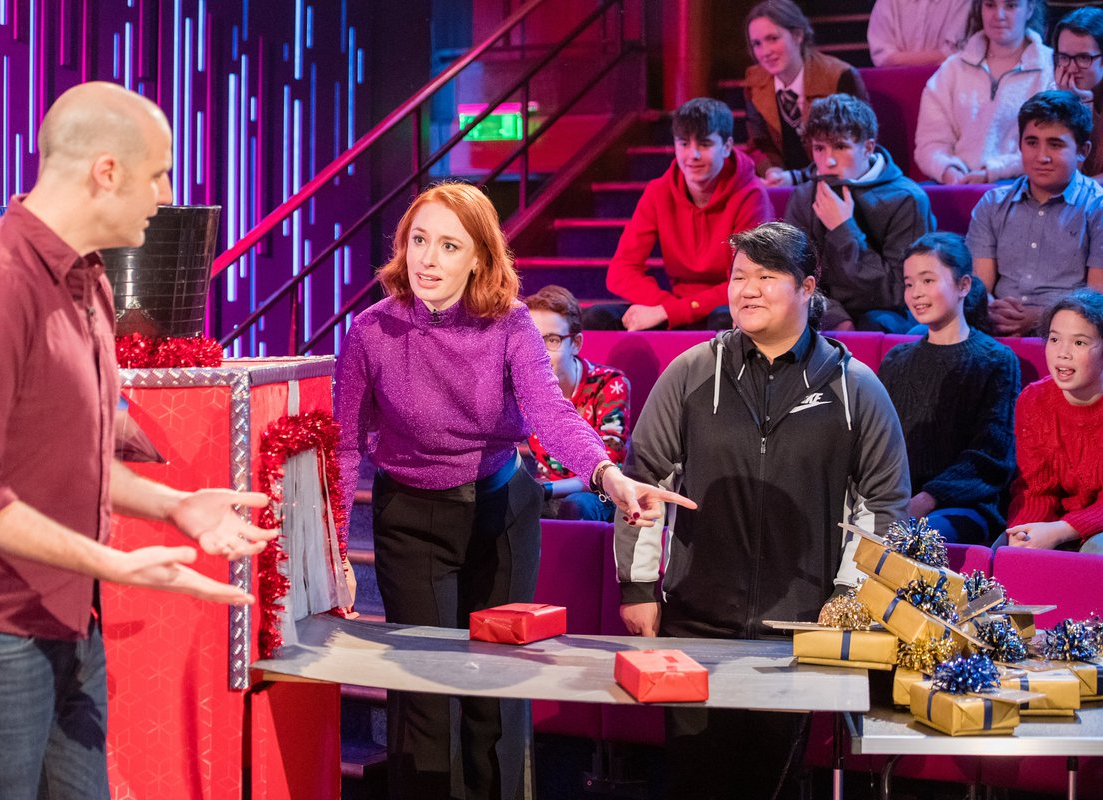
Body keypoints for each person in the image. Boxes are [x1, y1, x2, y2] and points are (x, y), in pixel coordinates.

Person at [0, 82, 278, 800]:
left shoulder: (91, 284)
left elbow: (75, 459)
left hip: (67, 616)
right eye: (158, 174)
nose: (166, 197)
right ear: (106, 171)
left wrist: (176, 507)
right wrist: (117, 564)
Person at [333, 182, 694, 800]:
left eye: (449, 246)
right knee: (425, 694)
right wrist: (337, 547)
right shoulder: (371, 331)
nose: (427, 259)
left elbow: (549, 411)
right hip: (412, 517)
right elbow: (343, 445)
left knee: (494, 689)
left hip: (501, 508)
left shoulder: (510, 322)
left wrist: (607, 475)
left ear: (479, 257)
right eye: (419, 240)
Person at [615, 221, 910, 799]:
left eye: (766, 276)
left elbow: (883, 505)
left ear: (807, 287)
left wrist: (847, 602)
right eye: (738, 276)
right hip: (695, 626)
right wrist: (638, 586)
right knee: (695, 783)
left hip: (800, 631)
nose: (746, 289)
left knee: (773, 785)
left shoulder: (856, 387)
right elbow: (643, 482)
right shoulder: (692, 372)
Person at [878, 233, 1020, 544]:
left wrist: (926, 499)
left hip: (965, 506)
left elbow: (991, 456)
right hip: (899, 500)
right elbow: (878, 441)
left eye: (928, 280)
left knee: (916, 538)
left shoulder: (996, 360)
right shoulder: (896, 359)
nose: (916, 293)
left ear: (963, 285)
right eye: (909, 284)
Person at [585, 97, 772, 331]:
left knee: (724, 319)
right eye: (684, 144)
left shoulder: (751, 195)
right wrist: (668, 308)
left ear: (726, 147)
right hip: (675, 304)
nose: (693, 155)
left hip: (726, 306)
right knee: (597, 317)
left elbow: (748, 280)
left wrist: (672, 312)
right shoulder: (658, 191)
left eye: (704, 144)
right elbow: (621, 271)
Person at [784, 93, 936, 332]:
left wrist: (844, 230)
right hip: (825, 312)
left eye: (840, 147)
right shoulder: (804, 197)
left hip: (885, 315)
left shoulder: (907, 199)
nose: (828, 161)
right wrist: (835, 317)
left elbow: (899, 290)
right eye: (819, 148)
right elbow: (794, 277)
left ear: (868, 148)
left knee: (875, 324)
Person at [969, 90, 1103, 336]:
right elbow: (980, 288)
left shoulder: (1098, 207)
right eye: (1032, 143)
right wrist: (991, 311)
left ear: (1082, 151)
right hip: (994, 326)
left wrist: (1038, 318)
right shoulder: (992, 204)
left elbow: (1097, 301)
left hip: (1072, 331)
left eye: (1055, 144)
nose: (1042, 157)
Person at [1000, 288, 1103, 553]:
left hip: (1090, 526)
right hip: (1059, 522)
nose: (1062, 353)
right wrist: (1025, 532)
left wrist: (1062, 530)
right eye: (1055, 339)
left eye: (1079, 343)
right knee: (1008, 550)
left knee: (1094, 549)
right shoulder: (1034, 400)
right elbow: (1036, 489)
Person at [915, 0, 1053, 184]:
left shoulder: (1050, 68)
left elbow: (1051, 145)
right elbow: (930, 143)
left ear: (1029, 9)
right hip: (958, 183)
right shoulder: (952, 69)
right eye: (990, 5)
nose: (999, 15)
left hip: (1022, 184)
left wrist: (993, 172)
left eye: (1010, 6)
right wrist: (949, 170)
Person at [523, 286, 631, 521]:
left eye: (552, 340)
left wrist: (545, 489)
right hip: (545, 490)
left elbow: (608, 468)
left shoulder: (608, 384)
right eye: (531, 340)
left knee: (576, 506)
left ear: (576, 343)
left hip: (598, 493)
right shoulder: (522, 385)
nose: (539, 352)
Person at [743, 0, 870, 187]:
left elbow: (854, 147)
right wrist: (772, 171)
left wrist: (797, 177)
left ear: (798, 35)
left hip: (838, 184)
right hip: (784, 184)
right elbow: (759, 143)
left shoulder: (840, 76)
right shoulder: (754, 83)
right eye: (757, 43)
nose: (765, 52)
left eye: (773, 38)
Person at [1052, 7, 1103, 181]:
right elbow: (1065, 172)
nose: (1072, 68)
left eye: (1083, 58)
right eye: (1064, 57)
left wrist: (1080, 191)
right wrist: (1072, 105)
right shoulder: (1054, 92)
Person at [867, 0, 973, 66]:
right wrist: (938, 57)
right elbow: (883, 57)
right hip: (894, 85)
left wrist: (899, 59)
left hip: (947, 86)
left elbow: (956, 55)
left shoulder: (963, 2)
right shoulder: (887, 2)